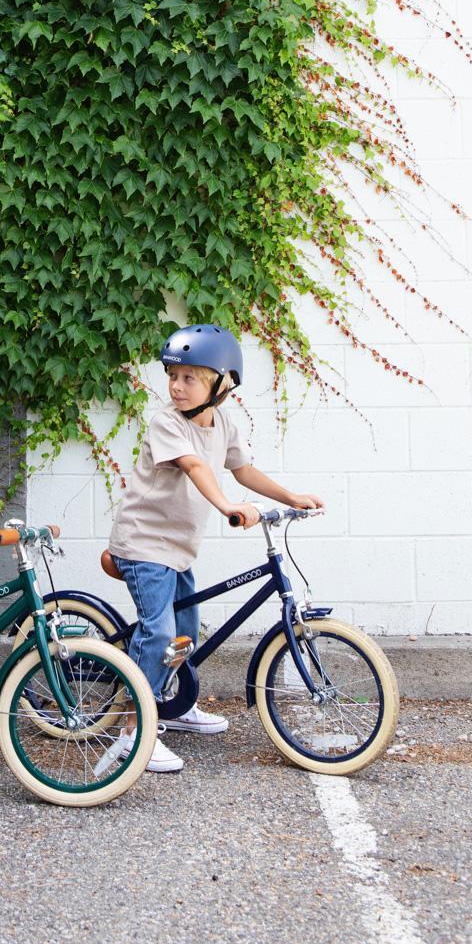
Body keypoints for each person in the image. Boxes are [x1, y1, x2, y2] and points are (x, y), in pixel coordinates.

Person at [101, 324, 324, 774]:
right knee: (159, 633)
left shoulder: (222, 422)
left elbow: (243, 470)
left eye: (190, 378)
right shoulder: (166, 422)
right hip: (144, 544)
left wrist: (289, 498)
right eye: (172, 376)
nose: (176, 387)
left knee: (186, 629)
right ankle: (132, 733)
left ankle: (176, 705)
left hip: (177, 548)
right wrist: (225, 505)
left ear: (221, 385)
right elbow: (195, 465)